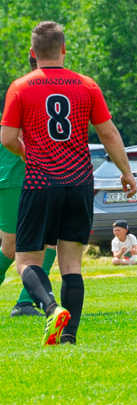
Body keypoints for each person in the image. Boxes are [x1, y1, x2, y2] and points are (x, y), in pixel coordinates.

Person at [0, 21, 136, 345]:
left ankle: (50, 309)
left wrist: (27, 152)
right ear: (63, 49)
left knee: (26, 260)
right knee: (71, 262)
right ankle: (69, 337)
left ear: (33, 53)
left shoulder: (20, 87)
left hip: (39, 182)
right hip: (78, 182)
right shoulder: (86, 85)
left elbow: (6, 138)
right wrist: (127, 172)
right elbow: (108, 133)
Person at [2, 52, 59, 318]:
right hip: (17, 172)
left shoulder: (27, 86)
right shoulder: (28, 87)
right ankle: (27, 302)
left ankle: (26, 302)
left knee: (48, 241)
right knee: (12, 247)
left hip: (33, 174)